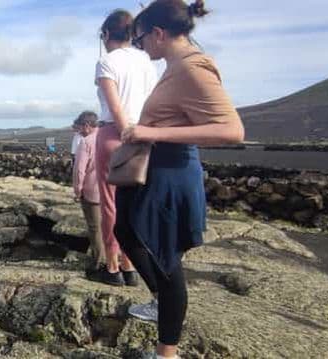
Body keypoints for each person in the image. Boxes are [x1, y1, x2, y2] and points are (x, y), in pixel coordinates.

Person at [116, 1, 245, 358]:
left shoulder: (193, 67)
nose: (140, 47)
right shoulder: (175, 67)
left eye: (140, 40)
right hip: (158, 168)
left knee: (165, 256)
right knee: (125, 230)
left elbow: (232, 130)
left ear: (158, 33)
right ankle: (160, 302)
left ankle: (166, 352)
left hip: (172, 171)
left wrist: (150, 132)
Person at [93, 9, 158, 286]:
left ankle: (111, 267)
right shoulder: (147, 62)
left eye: (103, 36)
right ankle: (131, 266)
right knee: (134, 205)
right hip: (144, 133)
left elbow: (115, 105)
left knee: (110, 205)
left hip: (114, 134)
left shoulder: (107, 61)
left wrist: (124, 133)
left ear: (107, 34)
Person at [71, 111, 105, 274]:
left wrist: (78, 191)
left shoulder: (86, 142)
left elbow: (79, 171)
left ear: (87, 125)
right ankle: (116, 260)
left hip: (92, 192)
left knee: (95, 228)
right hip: (112, 190)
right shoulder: (107, 138)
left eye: (80, 127)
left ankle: (99, 263)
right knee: (111, 226)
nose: (79, 131)